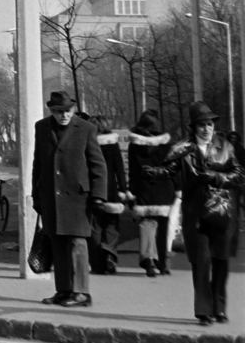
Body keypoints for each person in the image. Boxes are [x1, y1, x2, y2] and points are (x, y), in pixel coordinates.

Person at [164, 102, 244, 326]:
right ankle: (203, 311)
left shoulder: (225, 146)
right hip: (196, 213)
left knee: (220, 260)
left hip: (221, 211)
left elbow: (238, 174)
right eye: (201, 125)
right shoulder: (183, 148)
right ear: (193, 127)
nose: (206, 129)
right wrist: (155, 173)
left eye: (209, 124)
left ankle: (219, 308)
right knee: (201, 261)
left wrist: (217, 178)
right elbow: (169, 168)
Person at [31, 88, 107, 307]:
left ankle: (82, 293)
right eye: (58, 111)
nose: (63, 115)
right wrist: (36, 195)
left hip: (78, 198)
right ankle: (64, 290)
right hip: (51, 197)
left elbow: (98, 166)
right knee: (58, 243)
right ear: (51, 111)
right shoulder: (42, 128)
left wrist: (99, 196)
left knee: (76, 243)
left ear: (73, 109)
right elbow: (38, 163)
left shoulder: (86, 129)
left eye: (67, 110)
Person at [127, 109, 175, 276]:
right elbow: (173, 168)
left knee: (147, 224)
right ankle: (164, 263)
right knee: (163, 227)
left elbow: (133, 171)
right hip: (164, 186)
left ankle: (149, 259)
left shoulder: (134, 145)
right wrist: (177, 188)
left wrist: (131, 192)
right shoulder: (166, 143)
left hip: (144, 187)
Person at [91, 118, 131, 275]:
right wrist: (122, 189)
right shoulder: (112, 145)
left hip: (93, 189)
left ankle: (97, 264)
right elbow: (119, 168)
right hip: (110, 189)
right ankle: (109, 253)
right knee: (112, 224)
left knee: (95, 226)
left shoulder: (88, 143)